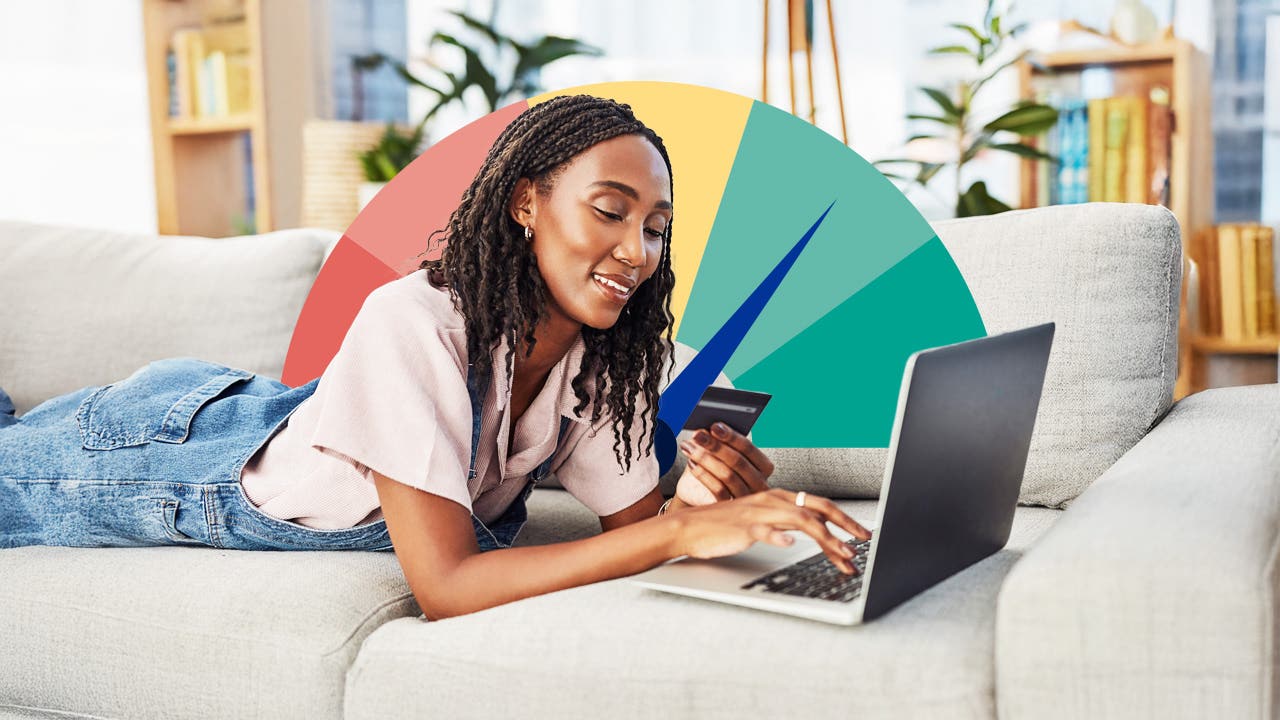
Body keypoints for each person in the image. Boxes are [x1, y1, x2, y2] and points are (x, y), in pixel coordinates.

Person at [0, 94, 870, 620]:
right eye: (610, 211)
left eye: (655, 226)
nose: (636, 250)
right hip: (172, 453)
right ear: (527, 203)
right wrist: (681, 532)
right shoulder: (412, 321)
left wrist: (706, 505)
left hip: (274, 409)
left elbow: (634, 536)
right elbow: (447, 586)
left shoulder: (608, 359)